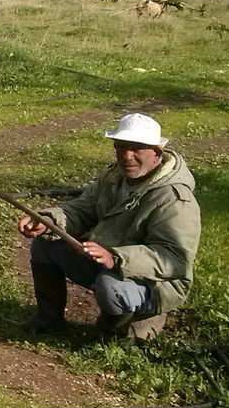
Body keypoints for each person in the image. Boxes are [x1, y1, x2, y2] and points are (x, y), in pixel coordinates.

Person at [18, 113, 201, 340]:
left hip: (157, 282)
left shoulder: (174, 198)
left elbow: (174, 258)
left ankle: (115, 335)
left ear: (157, 153)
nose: (127, 156)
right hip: (106, 262)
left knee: (111, 286)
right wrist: (48, 221)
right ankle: (47, 320)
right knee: (45, 244)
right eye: (120, 147)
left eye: (136, 149)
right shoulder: (114, 176)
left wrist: (117, 258)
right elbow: (84, 208)